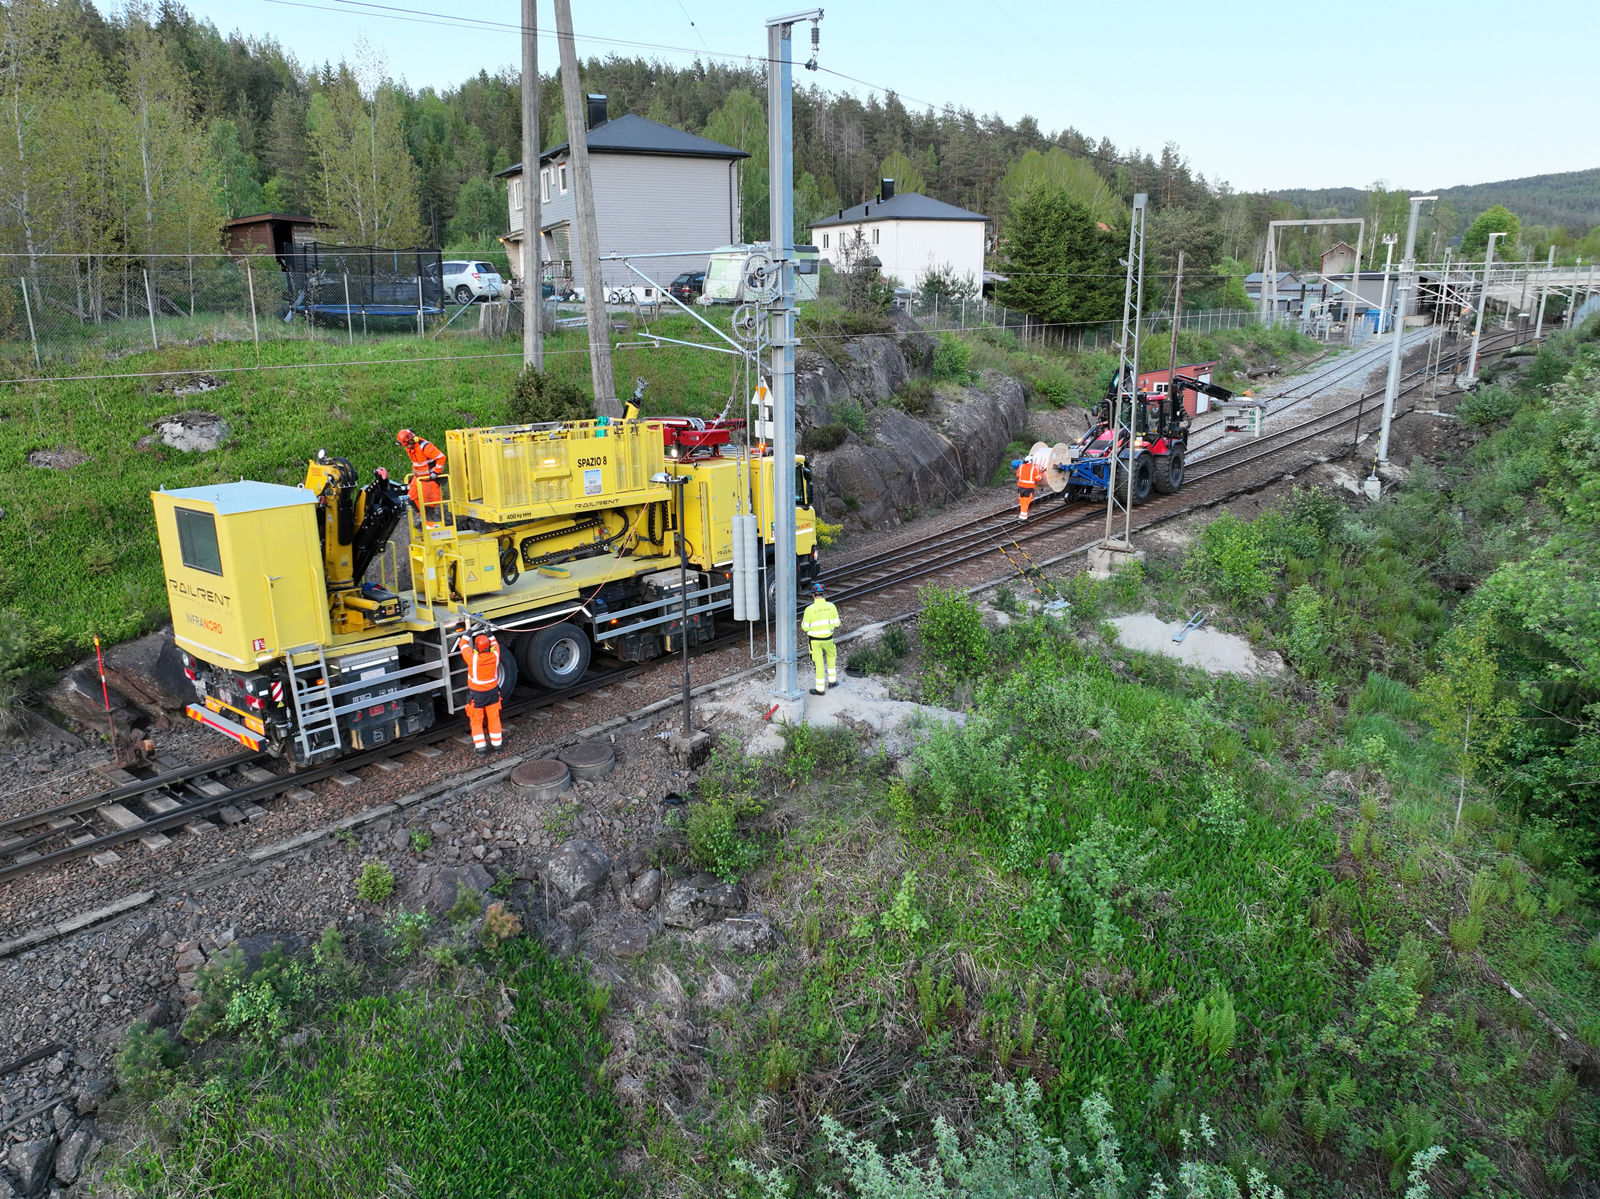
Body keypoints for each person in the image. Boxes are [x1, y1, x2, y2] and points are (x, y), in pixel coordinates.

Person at [456, 628, 504, 755]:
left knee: (476, 722)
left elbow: (462, 644)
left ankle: (481, 749)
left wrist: (470, 631)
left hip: (477, 696)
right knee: (494, 719)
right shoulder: (495, 655)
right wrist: (489, 634)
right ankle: (497, 746)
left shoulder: (473, 658)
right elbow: (495, 644)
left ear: (476, 647)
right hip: (493, 694)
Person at [800, 581, 841, 696]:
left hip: (815, 641)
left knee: (819, 664)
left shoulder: (809, 609)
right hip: (828, 639)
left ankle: (820, 689)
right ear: (823, 594)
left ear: (813, 595)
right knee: (831, 658)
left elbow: (805, 627)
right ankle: (832, 682)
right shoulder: (831, 606)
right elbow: (837, 623)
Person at [397, 429, 447, 523]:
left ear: (412, 440)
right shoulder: (410, 448)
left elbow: (441, 458)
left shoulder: (425, 447)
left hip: (430, 480)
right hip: (419, 478)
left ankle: (432, 524)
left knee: (429, 505)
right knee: (410, 498)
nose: (406, 447)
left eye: (407, 445)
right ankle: (423, 519)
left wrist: (436, 472)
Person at [1014, 457, 1045, 521]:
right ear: (1030, 461)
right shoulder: (1033, 469)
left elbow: (1018, 475)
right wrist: (1041, 473)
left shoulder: (1021, 467)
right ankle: (1023, 517)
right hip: (1028, 488)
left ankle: (1022, 515)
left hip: (1021, 487)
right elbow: (1038, 478)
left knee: (1022, 501)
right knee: (1026, 502)